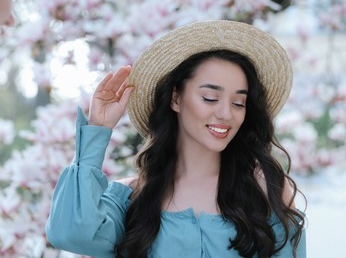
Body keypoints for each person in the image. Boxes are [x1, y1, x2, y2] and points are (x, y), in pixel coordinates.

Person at [46, 20, 306, 258]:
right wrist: (97, 130)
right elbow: (69, 234)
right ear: (176, 98)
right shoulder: (130, 199)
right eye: (210, 98)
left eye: (239, 102)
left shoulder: (266, 190)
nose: (226, 113)